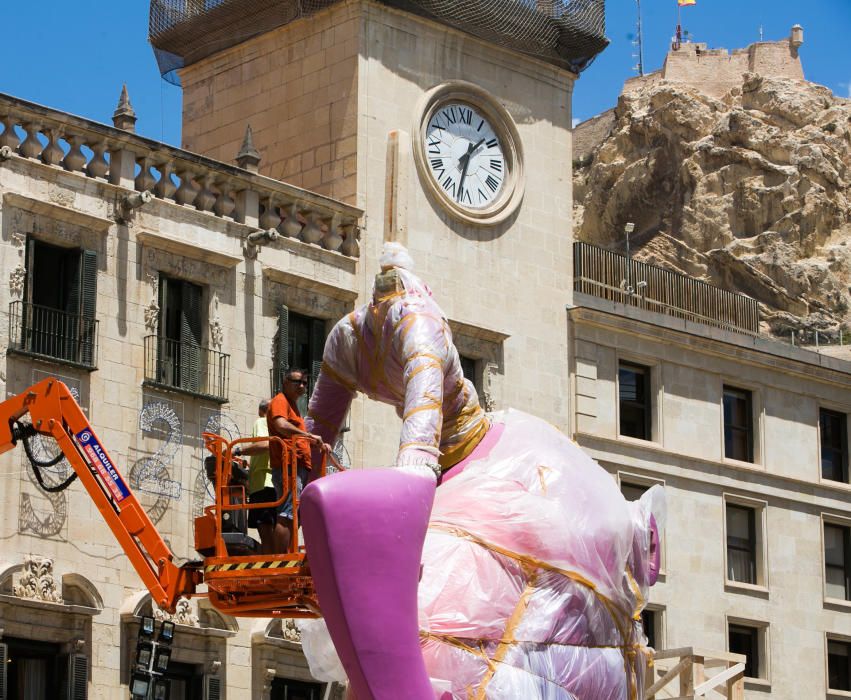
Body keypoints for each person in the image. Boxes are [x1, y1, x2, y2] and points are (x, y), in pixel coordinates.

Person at [268, 368, 330, 553]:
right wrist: (309, 435)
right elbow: (281, 425)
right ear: (285, 382)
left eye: (305, 382)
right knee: (287, 513)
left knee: (295, 514)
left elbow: (297, 437)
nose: (302, 386)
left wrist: (315, 443)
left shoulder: (293, 406)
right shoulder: (280, 401)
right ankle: (280, 560)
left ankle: (287, 552)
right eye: (297, 382)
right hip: (289, 465)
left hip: (297, 466)